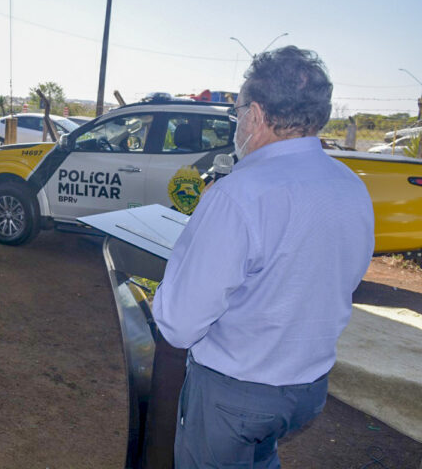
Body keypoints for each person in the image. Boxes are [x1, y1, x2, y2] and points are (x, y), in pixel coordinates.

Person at [152, 46, 375, 467]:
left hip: (235, 395)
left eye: (237, 112)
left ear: (255, 114)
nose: (237, 123)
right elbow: (343, 278)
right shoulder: (351, 187)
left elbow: (180, 325)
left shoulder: (239, 193)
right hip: (306, 390)